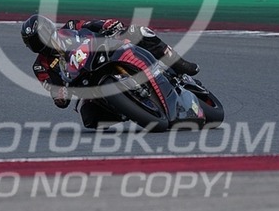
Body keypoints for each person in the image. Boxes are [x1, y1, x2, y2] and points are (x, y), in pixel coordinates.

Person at [21, 14, 201, 129]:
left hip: (105, 52)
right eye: (34, 43)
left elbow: (93, 24)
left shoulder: (70, 27)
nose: (39, 44)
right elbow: (55, 92)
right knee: (90, 119)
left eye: (40, 38)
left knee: (139, 32)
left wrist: (108, 24)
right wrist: (59, 96)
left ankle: (179, 64)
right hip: (86, 81)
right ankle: (128, 109)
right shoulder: (40, 67)